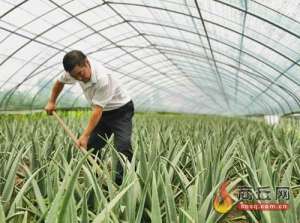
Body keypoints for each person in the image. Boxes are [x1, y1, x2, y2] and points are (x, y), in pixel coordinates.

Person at [44, 50, 134, 185]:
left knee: (123, 147)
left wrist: (84, 135)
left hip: (121, 111)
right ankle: (96, 179)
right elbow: (59, 83)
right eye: (75, 76)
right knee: (90, 147)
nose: (80, 78)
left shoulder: (102, 78)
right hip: (104, 113)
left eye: (81, 73)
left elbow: (97, 111)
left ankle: (122, 184)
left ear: (86, 62)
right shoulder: (73, 73)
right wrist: (52, 101)